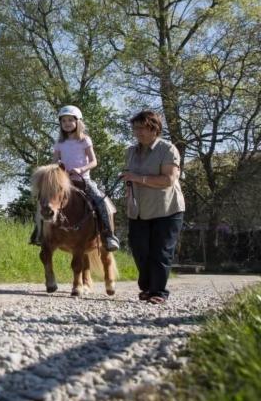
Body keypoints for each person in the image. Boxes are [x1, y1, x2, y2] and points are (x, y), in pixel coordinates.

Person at [29, 106, 121, 251]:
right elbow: (54, 162)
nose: (67, 123)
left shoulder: (84, 140)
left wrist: (81, 169)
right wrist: (57, 170)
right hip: (63, 182)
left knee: (101, 202)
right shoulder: (60, 143)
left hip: (83, 180)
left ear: (78, 122)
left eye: (70, 120)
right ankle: (39, 234)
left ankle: (108, 235)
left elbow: (93, 161)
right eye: (64, 120)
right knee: (44, 203)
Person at [121, 110, 185, 305]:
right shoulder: (131, 151)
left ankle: (158, 292)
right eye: (135, 128)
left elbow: (168, 180)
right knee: (140, 250)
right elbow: (128, 174)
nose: (138, 132)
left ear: (154, 128)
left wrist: (137, 178)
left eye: (142, 128)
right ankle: (147, 288)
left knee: (161, 251)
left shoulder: (167, 149)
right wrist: (127, 181)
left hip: (166, 209)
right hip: (138, 209)